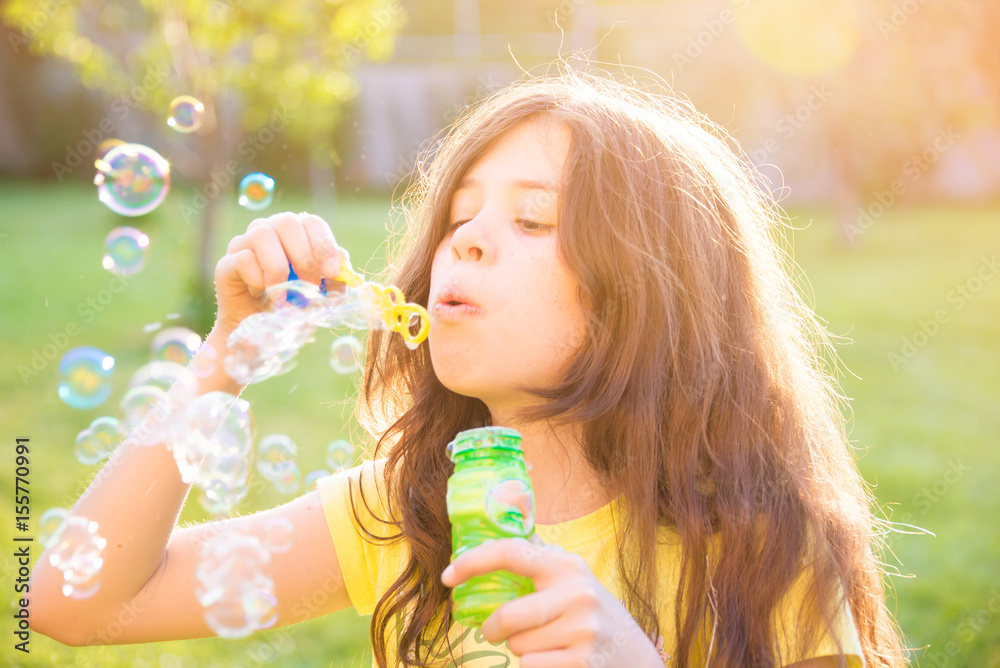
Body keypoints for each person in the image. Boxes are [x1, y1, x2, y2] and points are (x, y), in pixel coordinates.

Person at [29, 62, 908, 668]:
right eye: (457, 218)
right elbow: (75, 604)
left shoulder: (762, 542)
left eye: (531, 221)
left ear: (651, 293)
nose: (469, 242)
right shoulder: (401, 511)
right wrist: (225, 354)